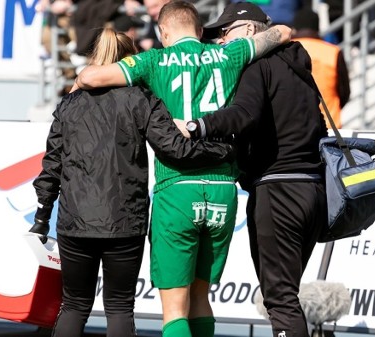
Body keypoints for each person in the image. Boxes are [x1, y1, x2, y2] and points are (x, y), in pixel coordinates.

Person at [70, 2, 292, 336]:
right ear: (201, 32)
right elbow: (284, 32)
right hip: (222, 189)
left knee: (175, 308)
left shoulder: (155, 60)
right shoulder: (229, 55)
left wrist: (80, 85)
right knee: (202, 299)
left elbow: (90, 76)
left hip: (177, 188)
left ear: (164, 32)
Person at [29, 27, 235, 337]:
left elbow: (51, 167)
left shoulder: (68, 105)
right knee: (120, 307)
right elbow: (175, 148)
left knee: (73, 306)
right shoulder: (141, 99)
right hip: (126, 219)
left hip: (74, 222)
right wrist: (225, 147)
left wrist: (42, 218)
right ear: (129, 61)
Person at [178, 4, 328, 337]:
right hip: (312, 191)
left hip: (279, 193)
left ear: (248, 31)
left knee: (280, 299)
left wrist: (197, 125)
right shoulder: (299, 66)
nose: (220, 42)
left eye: (224, 32)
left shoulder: (258, 65)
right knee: (285, 294)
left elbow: (243, 115)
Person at [292, 7, 350, 128]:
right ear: (317, 28)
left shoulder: (285, 51)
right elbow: (344, 91)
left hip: (294, 127)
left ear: (295, 28)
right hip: (329, 125)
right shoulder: (333, 51)